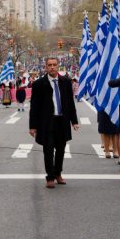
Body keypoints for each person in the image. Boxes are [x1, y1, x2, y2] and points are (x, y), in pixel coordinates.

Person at [29, 57, 80, 188]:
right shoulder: (39, 84)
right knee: (48, 149)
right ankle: (50, 177)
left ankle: (58, 173)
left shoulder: (66, 82)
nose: (52, 67)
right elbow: (34, 106)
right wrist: (33, 126)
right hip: (47, 123)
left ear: (58, 66)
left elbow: (70, 103)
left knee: (61, 149)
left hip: (62, 121)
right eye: (49, 65)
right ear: (45, 67)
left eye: (54, 65)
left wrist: (74, 121)